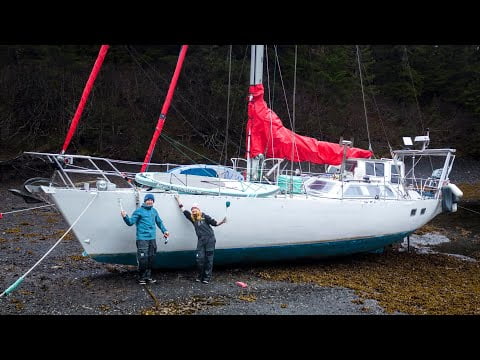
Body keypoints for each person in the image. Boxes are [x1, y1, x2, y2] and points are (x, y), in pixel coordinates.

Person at [174, 195, 226, 284]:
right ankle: (200, 276)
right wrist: (178, 199)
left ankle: (206, 277)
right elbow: (183, 210)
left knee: (209, 259)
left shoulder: (205, 216)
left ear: (198, 210)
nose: (193, 210)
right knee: (199, 259)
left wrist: (222, 221)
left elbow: (215, 223)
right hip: (201, 240)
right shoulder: (192, 218)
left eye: (195, 209)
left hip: (210, 239)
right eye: (192, 209)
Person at [121, 193, 169, 285]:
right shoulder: (139, 211)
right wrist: (125, 217)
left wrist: (165, 231)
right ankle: (141, 277)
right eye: (148, 200)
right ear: (145, 201)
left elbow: (159, 222)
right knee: (143, 258)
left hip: (152, 239)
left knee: (151, 258)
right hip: (142, 239)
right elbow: (130, 222)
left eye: (151, 200)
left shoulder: (154, 211)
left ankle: (148, 277)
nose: (150, 201)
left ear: (153, 201)